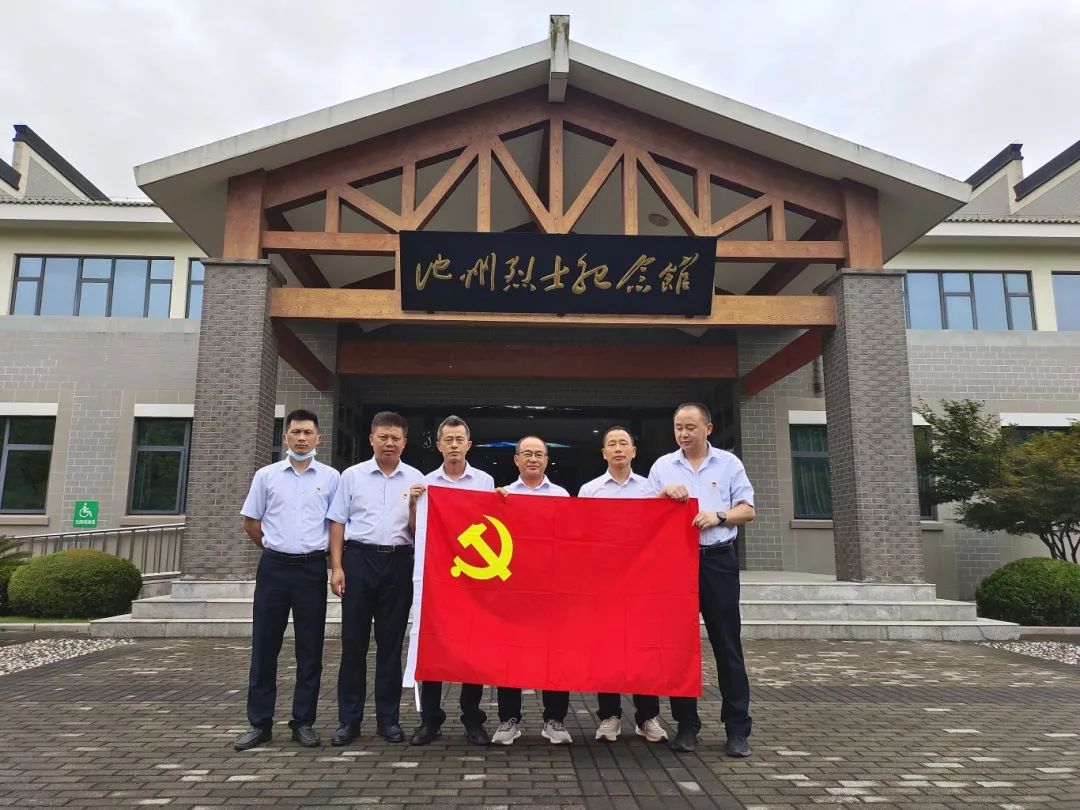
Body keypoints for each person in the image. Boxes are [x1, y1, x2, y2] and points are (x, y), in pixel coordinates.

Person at [649, 402, 756, 758]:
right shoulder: (663, 467)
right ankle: (686, 725)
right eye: (678, 427)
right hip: (676, 564)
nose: (683, 433)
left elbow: (748, 510)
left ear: (708, 428)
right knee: (679, 646)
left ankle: (737, 728)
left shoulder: (729, 464)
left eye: (690, 427)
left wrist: (719, 516)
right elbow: (646, 515)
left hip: (717, 560)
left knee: (727, 645)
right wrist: (663, 494)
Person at [233, 409, 340, 751]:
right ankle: (259, 723)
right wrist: (273, 547)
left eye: (308, 432)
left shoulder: (331, 478)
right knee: (265, 646)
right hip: (274, 568)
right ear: (285, 437)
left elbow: (336, 525)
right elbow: (251, 522)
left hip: (311, 569)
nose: (301, 438)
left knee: (310, 649)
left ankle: (303, 722)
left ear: (318, 438)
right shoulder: (266, 476)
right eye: (296, 432)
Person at [327, 411, 424, 746]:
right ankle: (348, 721)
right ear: (371, 439)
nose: (389, 443)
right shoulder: (352, 476)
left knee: (391, 645)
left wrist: (414, 506)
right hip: (359, 560)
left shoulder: (416, 479)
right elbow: (337, 522)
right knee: (353, 644)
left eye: (396, 438)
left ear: (404, 442)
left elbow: (418, 531)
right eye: (383, 437)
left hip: (399, 562)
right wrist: (337, 566)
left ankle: (388, 719)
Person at [407, 415, 495, 747]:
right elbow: (415, 530)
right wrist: (413, 504)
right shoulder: (425, 482)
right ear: (439, 445)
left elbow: (493, 524)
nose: (454, 445)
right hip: (437, 579)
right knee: (433, 644)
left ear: (468, 445)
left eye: (460, 439)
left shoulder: (484, 481)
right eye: (449, 440)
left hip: (473, 581)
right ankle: (430, 720)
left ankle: (472, 718)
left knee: (473, 648)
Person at [577, 426, 668, 744]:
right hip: (604, 583)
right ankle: (609, 716)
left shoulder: (651, 489)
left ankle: (647, 717)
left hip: (642, 583)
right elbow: (581, 535)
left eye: (623, 444)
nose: (618, 448)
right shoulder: (590, 490)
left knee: (643, 647)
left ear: (633, 451)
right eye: (612, 444)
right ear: (603, 453)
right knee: (606, 648)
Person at [490, 435, 574, 746]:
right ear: (516, 459)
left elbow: (571, 541)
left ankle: (555, 719)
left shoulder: (561, 495)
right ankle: (508, 719)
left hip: (552, 589)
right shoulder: (504, 495)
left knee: (555, 653)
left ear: (547, 460)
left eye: (539, 454)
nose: (533, 459)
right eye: (527, 454)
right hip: (513, 588)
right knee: (510, 652)